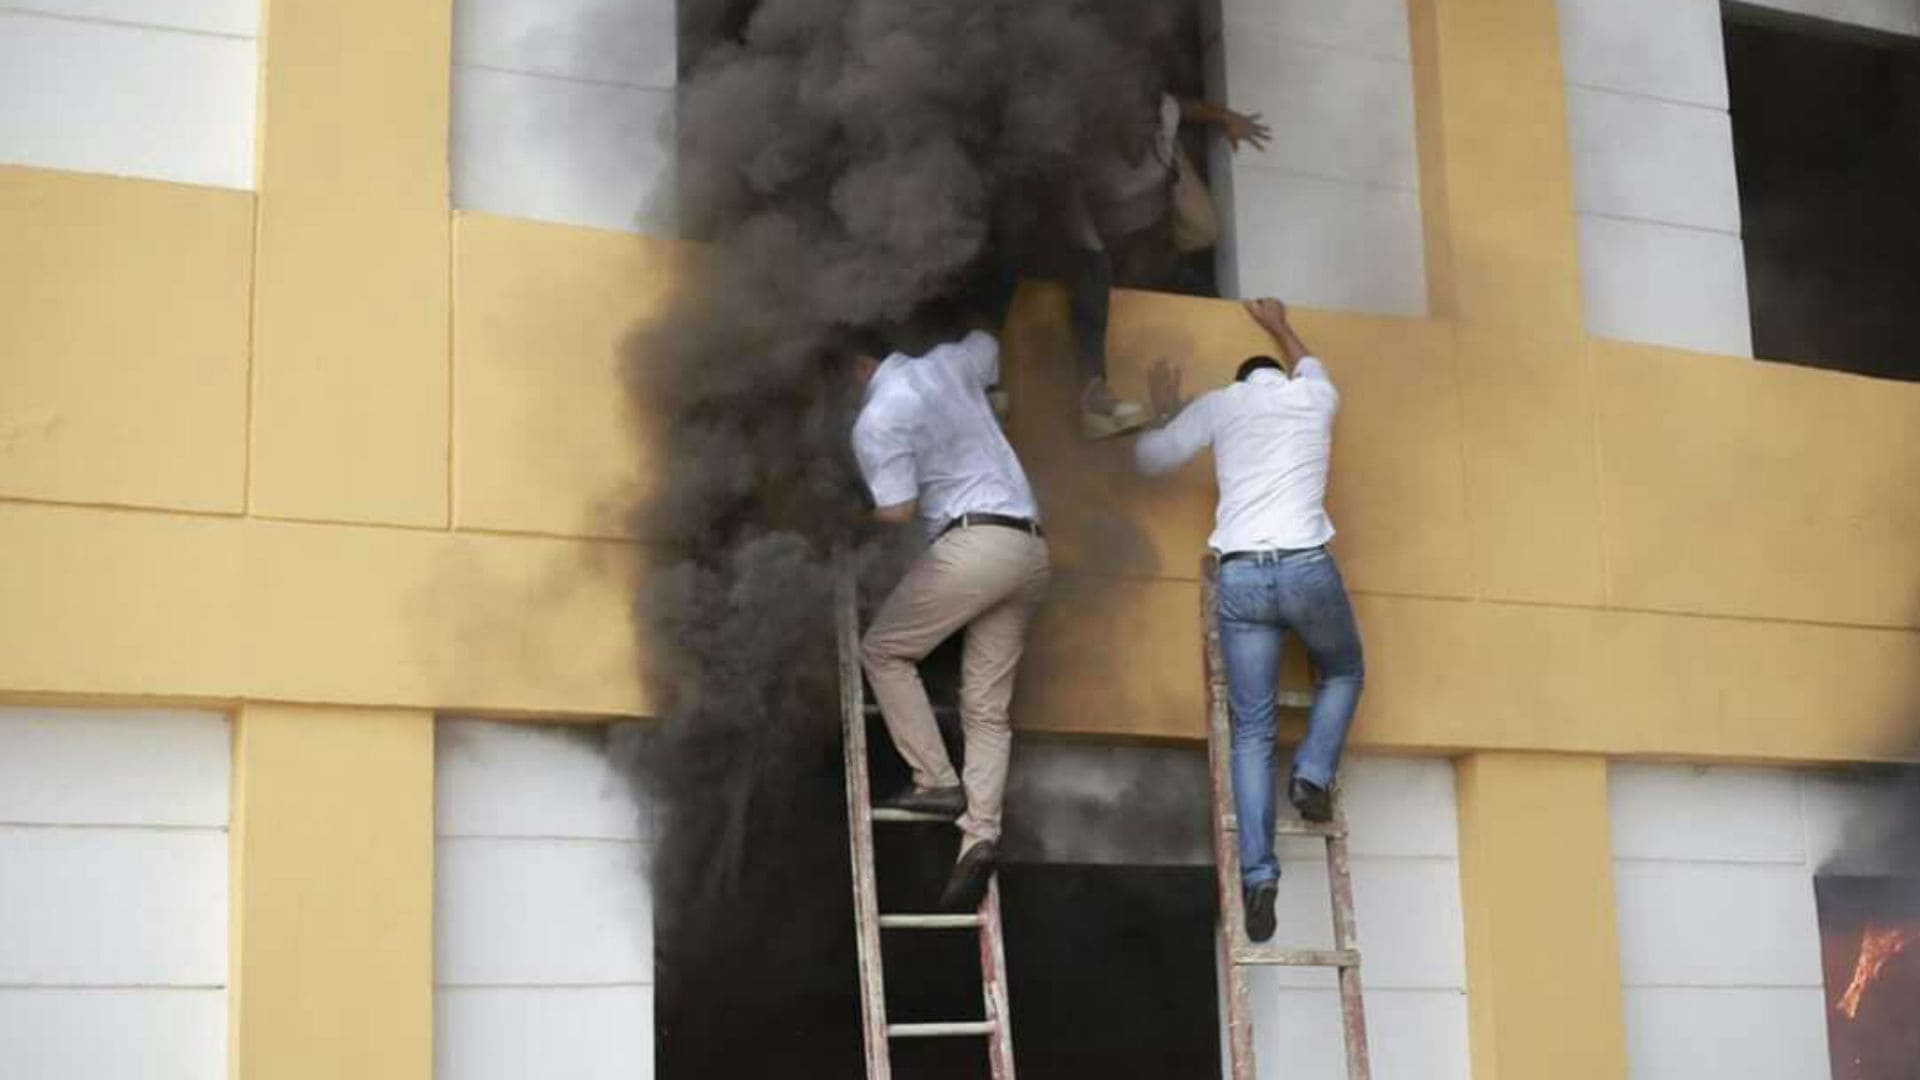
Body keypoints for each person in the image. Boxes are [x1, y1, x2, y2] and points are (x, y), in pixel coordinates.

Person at [1131, 297, 1365, 944]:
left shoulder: (1220, 405)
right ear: (1285, 374)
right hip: (1306, 566)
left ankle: (1259, 876)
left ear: (1239, 383)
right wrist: (1280, 323)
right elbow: (1310, 362)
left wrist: (1166, 411)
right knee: (1343, 670)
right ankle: (1313, 774)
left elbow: (1150, 459)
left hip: (1239, 576)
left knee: (1252, 731)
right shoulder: (1315, 396)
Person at [850, 314, 1052, 912]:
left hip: (973, 546)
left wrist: (848, 518)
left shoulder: (878, 416)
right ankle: (979, 837)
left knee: (884, 650)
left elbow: (897, 510)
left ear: (857, 369)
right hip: (1031, 547)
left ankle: (935, 780)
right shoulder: (949, 361)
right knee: (987, 709)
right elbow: (990, 338)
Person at [1068, 88, 1270, 439]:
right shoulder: (1092, 154)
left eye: (1149, 121)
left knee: (1195, 282)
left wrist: (1229, 119)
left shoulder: (1163, 122)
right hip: (1103, 239)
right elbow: (1071, 205)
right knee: (1092, 293)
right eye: (1135, 123)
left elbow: (1188, 108)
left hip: (1156, 236)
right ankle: (1094, 393)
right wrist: (1092, 249)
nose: (1144, 129)